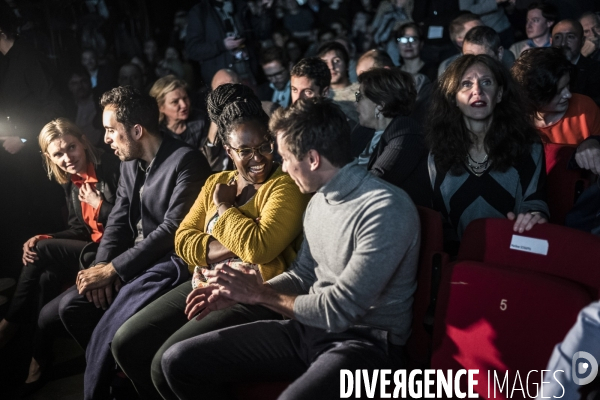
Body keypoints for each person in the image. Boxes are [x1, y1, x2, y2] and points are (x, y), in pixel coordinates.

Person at [159, 96, 420, 400]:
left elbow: (339, 311)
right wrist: (237, 294)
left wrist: (259, 294)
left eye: (285, 157)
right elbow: (302, 275)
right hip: (308, 328)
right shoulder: (320, 200)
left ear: (312, 159)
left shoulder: (385, 209)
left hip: (366, 346)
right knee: (178, 361)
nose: (281, 167)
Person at [111, 83, 310, 400]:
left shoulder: (282, 185)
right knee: (127, 341)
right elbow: (182, 240)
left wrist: (223, 208)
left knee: (165, 362)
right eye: (244, 151)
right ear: (229, 152)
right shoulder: (216, 181)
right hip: (202, 280)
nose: (257, 158)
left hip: (254, 290)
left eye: (264, 147)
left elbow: (260, 249)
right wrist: (237, 239)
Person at [36, 86, 211, 400]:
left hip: (167, 263)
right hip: (134, 260)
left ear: (137, 130)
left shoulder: (187, 161)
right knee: (70, 306)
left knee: (119, 334)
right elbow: (117, 218)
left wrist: (114, 269)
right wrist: (103, 265)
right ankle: (116, 376)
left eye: (110, 131)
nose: (105, 139)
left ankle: (132, 382)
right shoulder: (129, 162)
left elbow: (171, 230)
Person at [0, 118, 120, 387]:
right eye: (58, 154)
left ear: (84, 142)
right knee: (45, 276)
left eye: (71, 148)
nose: (67, 157)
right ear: (49, 158)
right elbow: (77, 229)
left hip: (110, 252)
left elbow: (129, 222)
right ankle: (40, 356)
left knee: (40, 250)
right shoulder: (71, 180)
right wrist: (46, 238)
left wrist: (99, 205)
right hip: (89, 248)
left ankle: (9, 322)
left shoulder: (112, 168)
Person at [428, 54, 549, 246]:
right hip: (457, 260)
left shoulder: (527, 145)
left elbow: (534, 203)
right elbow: (439, 221)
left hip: (511, 254)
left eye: (486, 82)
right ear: (453, 98)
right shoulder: (438, 152)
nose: (477, 91)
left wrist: (534, 217)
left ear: (499, 94)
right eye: (466, 84)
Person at [355, 68, 431, 207]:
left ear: (380, 105)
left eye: (359, 97)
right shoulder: (363, 129)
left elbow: (377, 181)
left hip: (393, 213)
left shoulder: (407, 131)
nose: (356, 103)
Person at [511, 47, 600, 145]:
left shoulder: (585, 107)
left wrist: (594, 142)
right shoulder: (516, 123)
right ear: (535, 96)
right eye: (558, 92)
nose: (568, 95)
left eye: (567, 85)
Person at [185, 0, 259, 87]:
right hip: (222, 82)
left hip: (248, 74)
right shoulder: (200, 11)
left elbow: (259, 34)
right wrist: (222, 45)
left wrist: (261, 11)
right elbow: (193, 50)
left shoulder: (240, 5)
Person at [551, 19, 600, 106]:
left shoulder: (596, 70)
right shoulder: (543, 70)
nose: (563, 43)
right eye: (558, 37)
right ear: (551, 41)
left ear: (582, 41)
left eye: (570, 37)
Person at [149, 75, 206, 149]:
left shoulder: (201, 121)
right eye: (175, 102)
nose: (184, 105)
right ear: (160, 107)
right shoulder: (156, 133)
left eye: (185, 98)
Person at [317, 41, 359, 125]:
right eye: (325, 63)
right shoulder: (319, 96)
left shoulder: (360, 91)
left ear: (346, 65)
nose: (331, 67)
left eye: (336, 61)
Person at [438, 13, 483, 78]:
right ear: (460, 42)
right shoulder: (448, 66)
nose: (484, 35)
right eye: (476, 33)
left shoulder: (499, 56)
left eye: (484, 29)